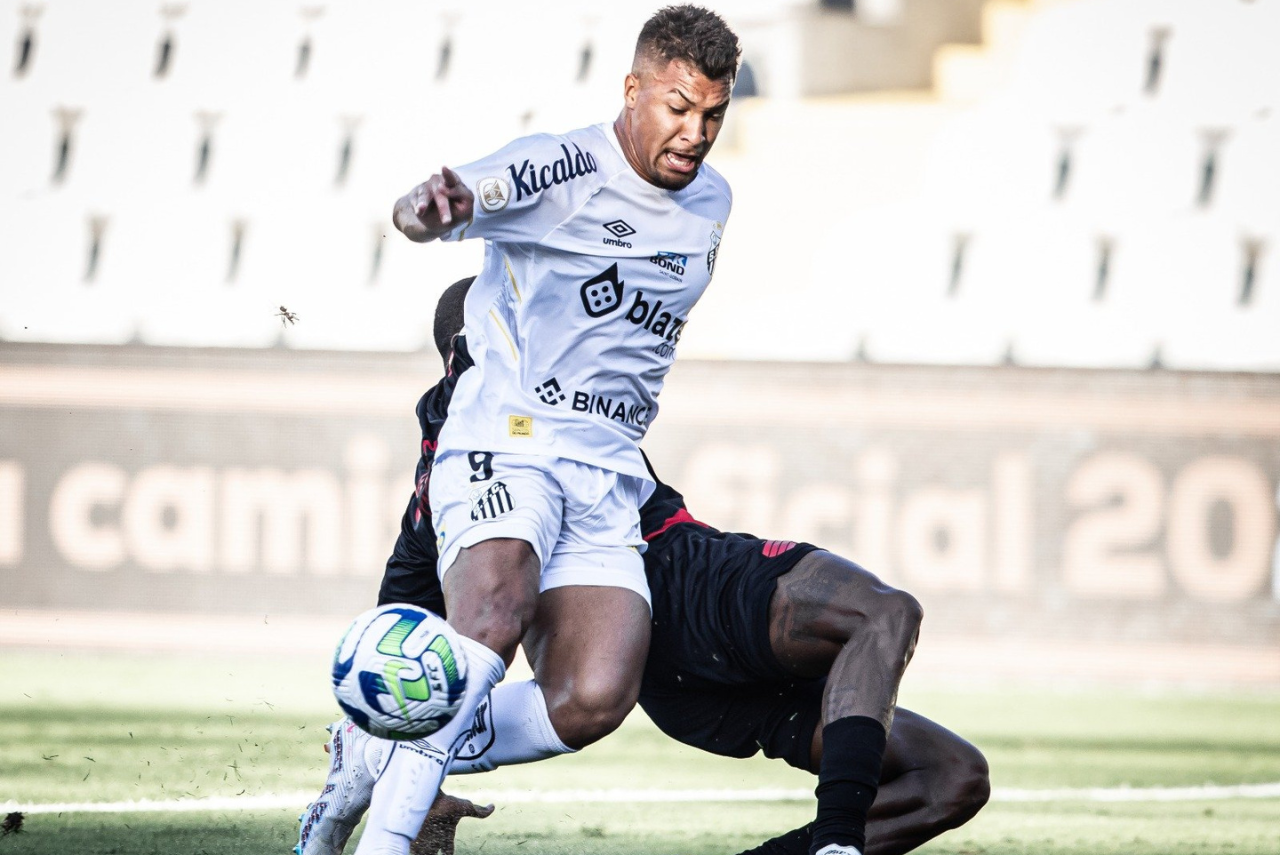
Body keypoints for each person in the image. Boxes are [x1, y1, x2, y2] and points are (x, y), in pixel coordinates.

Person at [296, 280, 989, 855]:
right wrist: (416, 773)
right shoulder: (464, 463)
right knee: (884, 611)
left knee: (952, 776)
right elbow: (422, 624)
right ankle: (840, 843)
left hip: (699, 594)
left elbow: (406, 606)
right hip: (669, 626)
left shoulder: (558, 397)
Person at [360, 8, 743, 854]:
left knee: (594, 694)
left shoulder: (713, 201)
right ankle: (387, 836)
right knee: (493, 615)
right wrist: (429, 210)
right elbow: (429, 209)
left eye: (714, 114)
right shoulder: (564, 166)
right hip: (510, 437)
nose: (695, 132)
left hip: (606, 474)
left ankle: (377, 745)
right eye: (678, 106)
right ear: (633, 89)